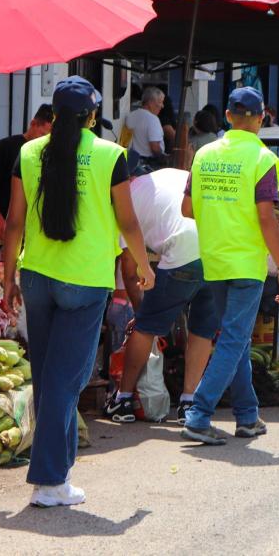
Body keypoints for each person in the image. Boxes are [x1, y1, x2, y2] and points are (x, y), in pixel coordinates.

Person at [2, 76, 154, 508]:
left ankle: (59, 474)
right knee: (64, 382)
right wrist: (144, 267)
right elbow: (127, 223)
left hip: (36, 277)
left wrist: (7, 275)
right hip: (85, 281)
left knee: (52, 377)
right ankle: (48, 481)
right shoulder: (110, 155)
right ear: (92, 116)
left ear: (52, 114)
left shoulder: (28, 152)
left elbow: (14, 223)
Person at [180, 86, 279, 445]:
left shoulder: (203, 154)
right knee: (233, 339)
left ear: (228, 116)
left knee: (236, 341)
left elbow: (187, 208)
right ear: (261, 118)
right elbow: (265, 218)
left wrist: (221, 209)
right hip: (245, 261)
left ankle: (247, 416)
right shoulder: (262, 159)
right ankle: (198, 415)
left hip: (213, 258)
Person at [105, 167, 217, 426]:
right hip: (216, 251)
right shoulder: (168, 175)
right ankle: (189, 402)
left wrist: (139, 311)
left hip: (183, 252)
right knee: (202, 330)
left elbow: (129, 271)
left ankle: (123, 399)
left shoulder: (126, 198)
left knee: (145, 328)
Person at [0, 105, 54, 258]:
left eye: (49, 138)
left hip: (38, 237)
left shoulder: (51, 154)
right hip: (7, 234)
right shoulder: (6, 147)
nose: (44, 141)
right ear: (33, 124)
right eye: (42, 134)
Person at [123, 87, 167, 166]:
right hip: (149, 164)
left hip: (133, 162)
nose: (162, 106)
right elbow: (154, 147)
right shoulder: (153, 119)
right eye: (160, 102)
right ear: (150, 103)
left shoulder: (130, 116)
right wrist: (164, 159)